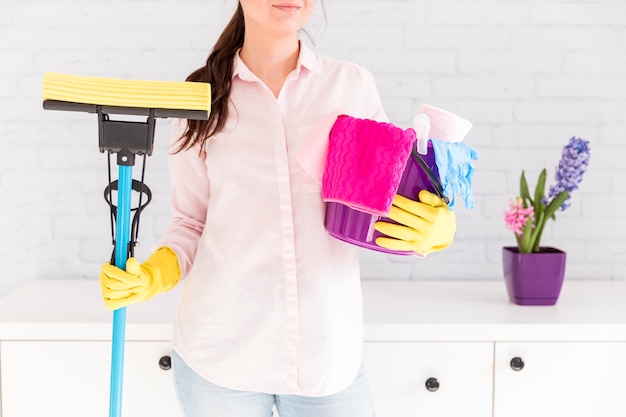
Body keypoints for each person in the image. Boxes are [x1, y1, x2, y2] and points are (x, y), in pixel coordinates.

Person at [99, 1, 456, 416]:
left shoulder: (350, 87)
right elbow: (189, 224)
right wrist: (149, 277)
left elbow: (385, 208)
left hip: (326, 360)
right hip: (219, 360)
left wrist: (436, 231)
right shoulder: (199, 100)